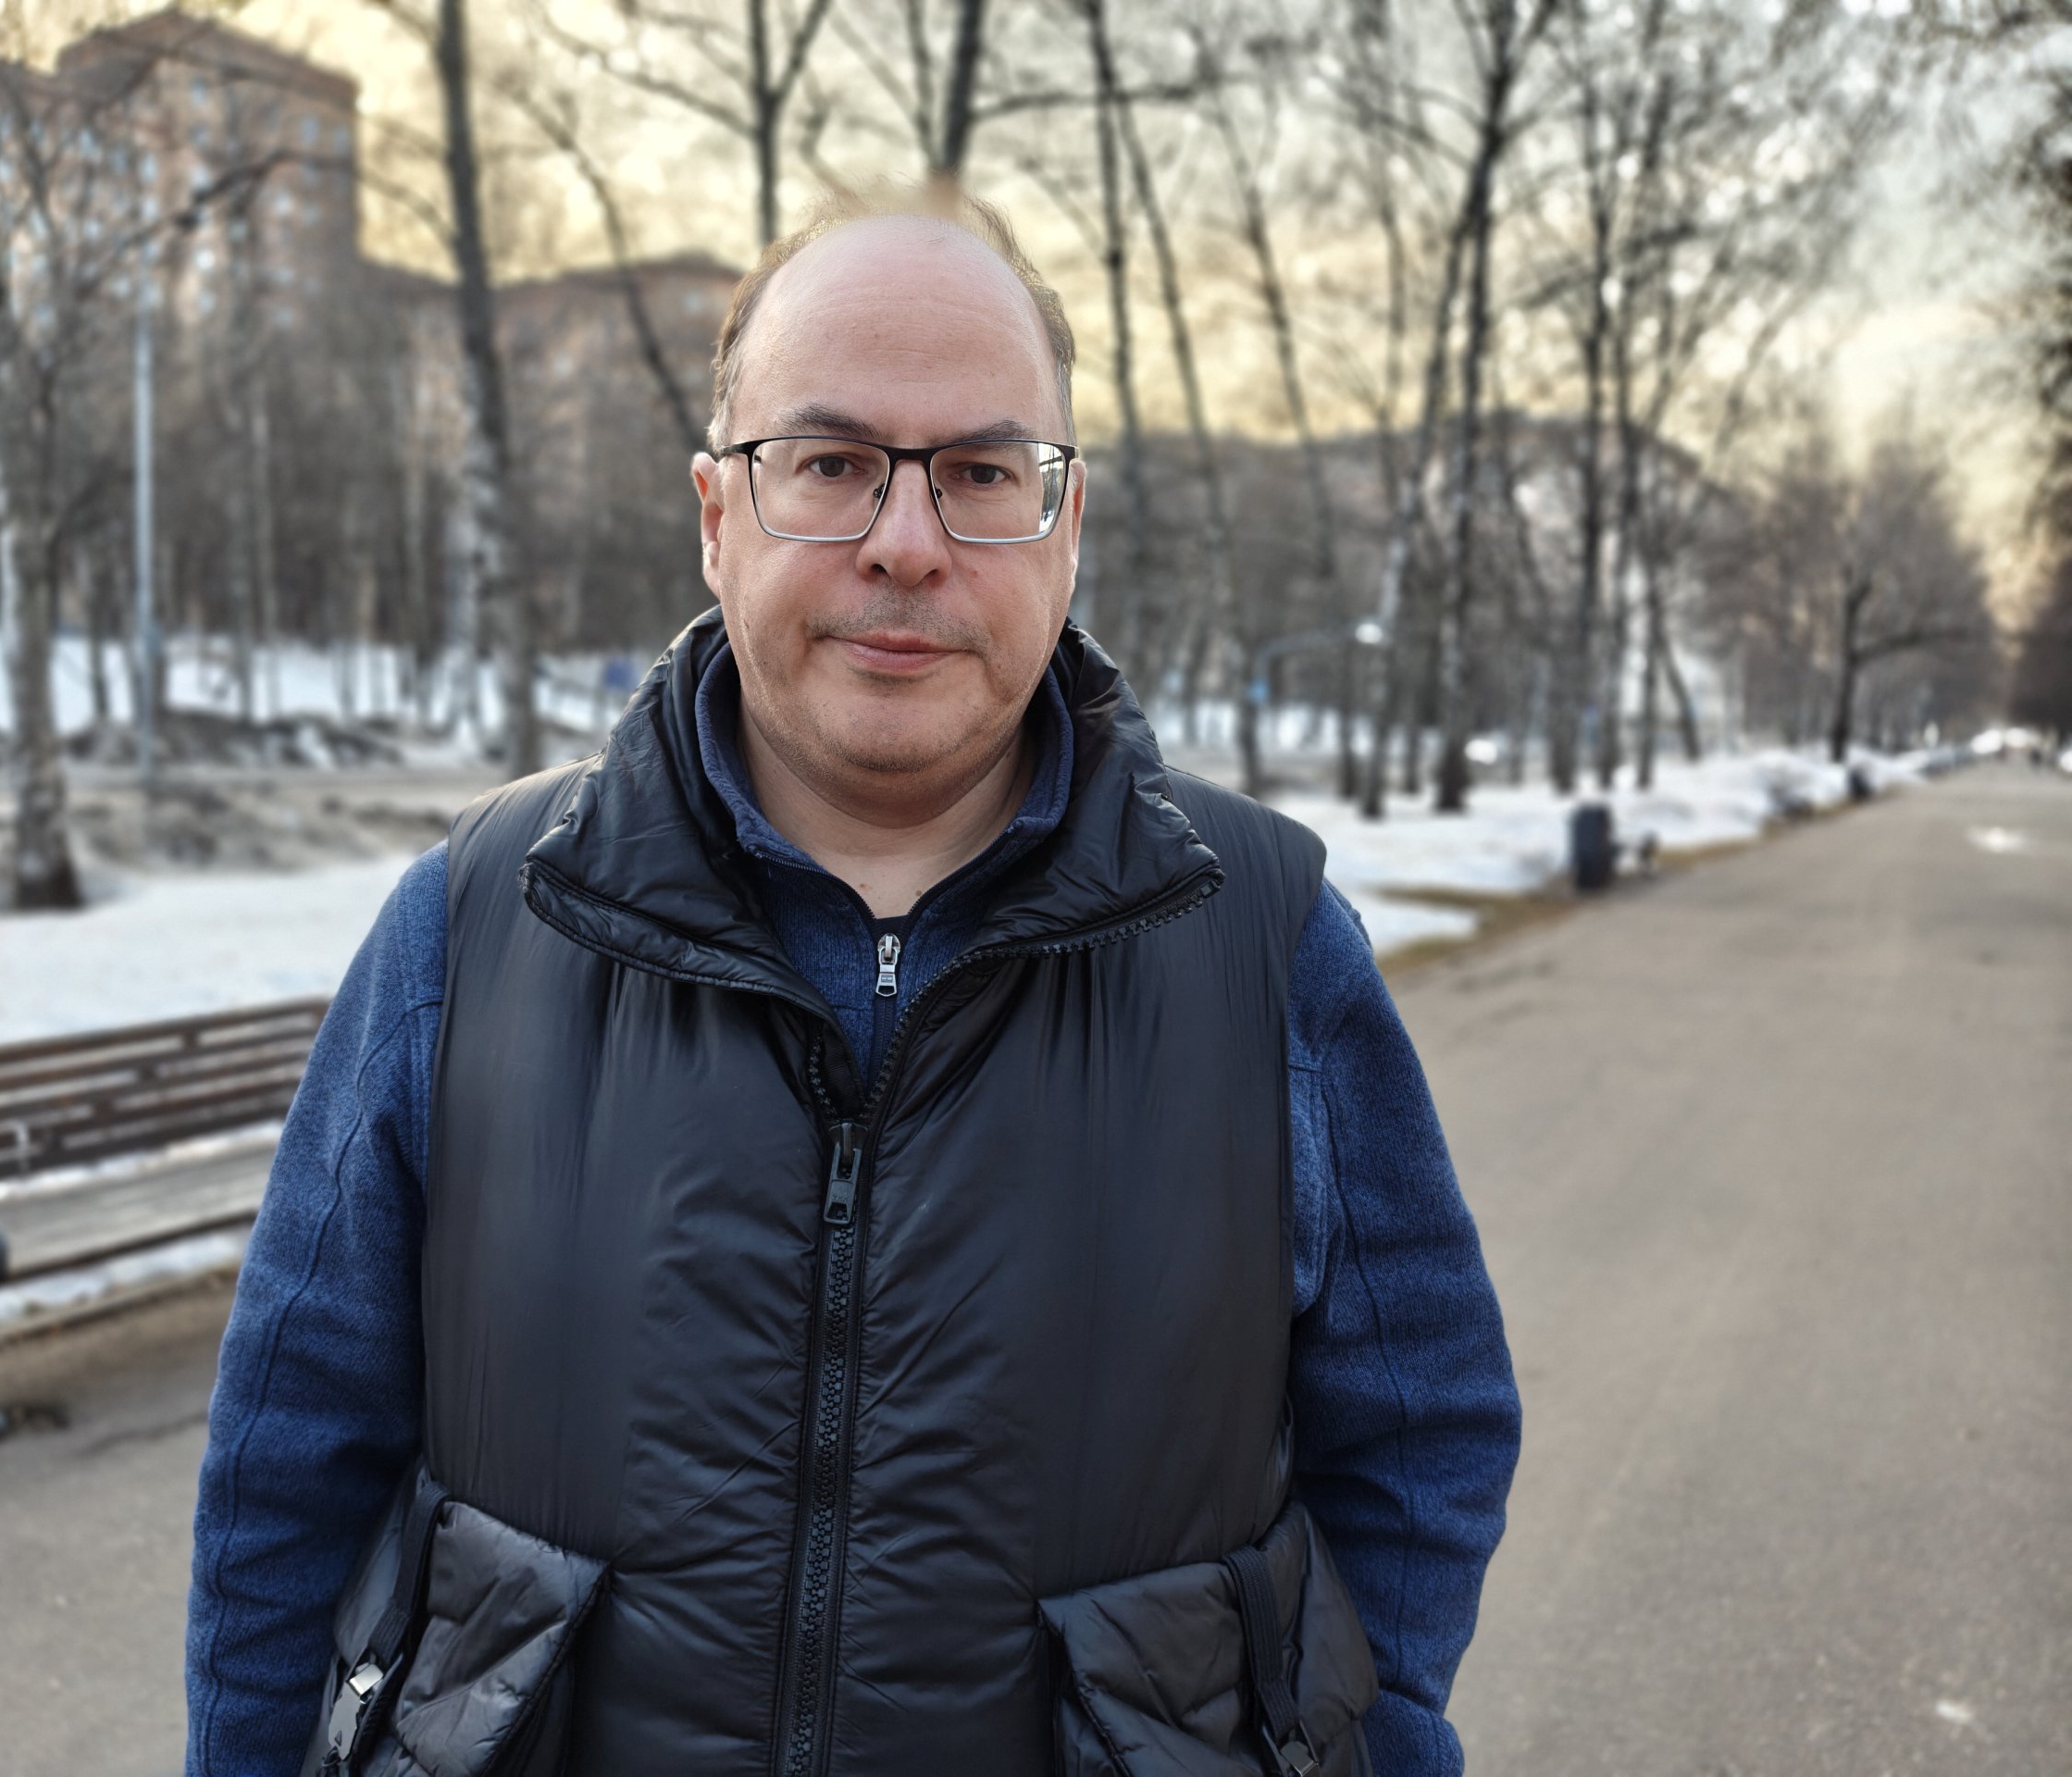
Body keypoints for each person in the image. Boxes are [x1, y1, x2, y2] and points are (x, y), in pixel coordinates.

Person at [184, 190, 1519, 1777]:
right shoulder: (475, 924)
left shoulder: (1267, 942)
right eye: (828, 463)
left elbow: (1420, 1437)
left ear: (1066, 527)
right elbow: (291, 1462)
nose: (906, 541)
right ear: (715, 516)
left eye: (982, 474)